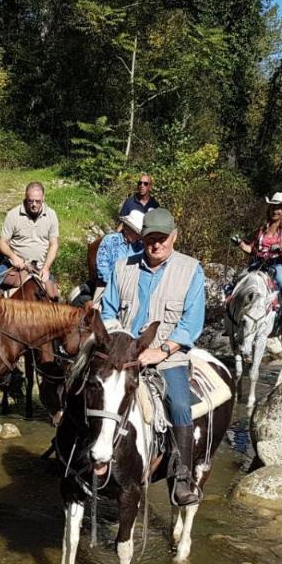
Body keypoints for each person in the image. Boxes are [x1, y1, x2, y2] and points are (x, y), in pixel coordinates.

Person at [100, 208, 206, 505]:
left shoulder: (190, 270)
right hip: (123, 354)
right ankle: (74, 452)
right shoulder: (122, 267)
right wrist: (118, 339)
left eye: (162, 239)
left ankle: (182, 476)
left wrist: (163, 350)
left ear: (174, 236)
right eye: (150, 239)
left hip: (167, 356)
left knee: (180, 404)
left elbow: (191, 323)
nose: (156, 245)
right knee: (88, 387)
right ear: (141, 238)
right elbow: (107, 309)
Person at [239, 191, 282, 343]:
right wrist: (239, 243)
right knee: (237, 284)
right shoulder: (263, 228)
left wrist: (281, 250)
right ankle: (234, 319)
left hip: (277, 264)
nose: (274, 210)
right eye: (272, 207)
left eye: (278, 208)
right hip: (259, 264)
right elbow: (252, 250)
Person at [0, 181, 59, 286]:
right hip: (15, 266)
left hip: (39, 267)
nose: (34, 205)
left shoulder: (51, 214)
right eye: (31, 201)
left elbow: (54, 244)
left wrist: (46, 267)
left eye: (38, 201)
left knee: (54, 297)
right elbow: (1, 242)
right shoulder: (13, 215)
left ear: (43, 198)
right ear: (25, 197)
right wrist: (14, 257)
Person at [94, 209, 145, 288]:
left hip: (131, 288)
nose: (139, 237)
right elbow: (101, 266)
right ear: (127, 229)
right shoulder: (109, 240)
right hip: (107, 286)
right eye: (137, 233)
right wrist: (115, 285)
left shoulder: (141, 247)